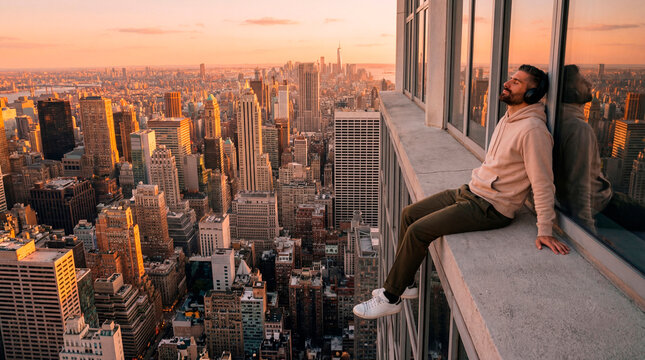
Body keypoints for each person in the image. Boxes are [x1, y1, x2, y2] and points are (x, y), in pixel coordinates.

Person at [353, 64, 570, 320]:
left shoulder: (533, 130)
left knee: (418, 232)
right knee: (409, 214)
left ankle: (391, 298)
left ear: (532, 94)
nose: (508, 84)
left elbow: (543, 181)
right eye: (511, 78)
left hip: (490, 207)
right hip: (471, 191)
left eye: (517, 82)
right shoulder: (508, 119)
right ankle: (407, 284)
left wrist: (545, 228)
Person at [554, 64, 645, 234]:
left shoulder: (554, 117)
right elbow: (579, 188)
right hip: (601, 204)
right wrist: (589, 236)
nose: (590, 84)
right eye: (582, 82)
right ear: (572, 91)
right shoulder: (579, 128)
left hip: (571, 201)